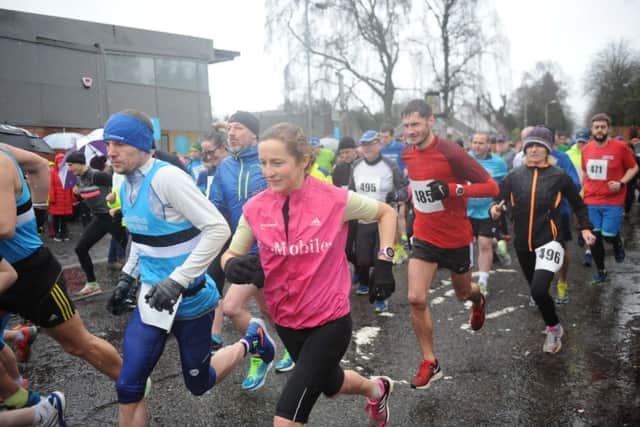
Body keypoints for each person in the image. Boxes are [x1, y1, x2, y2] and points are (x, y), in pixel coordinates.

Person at [104, 109, 275, 427]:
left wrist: (178, 280)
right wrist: (128, 277)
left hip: (191, 301)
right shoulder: (123, 180)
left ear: (143, 144)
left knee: (199, 383)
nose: (111, 151)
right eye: (108, 143)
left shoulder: (167, 178)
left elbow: (217, 228)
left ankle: (251, 339)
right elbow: (141, 237)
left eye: (120, 143)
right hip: (152, 301)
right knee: (128, 386)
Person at [221, 122, 396, 426]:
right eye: (263, 163)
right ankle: (376, 389)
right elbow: (231, 254)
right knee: (330, 384)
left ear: (303, 161)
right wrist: (231, 266)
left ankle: (374, 389)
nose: (269, 171)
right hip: (286, 320)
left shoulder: (334, 199)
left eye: (278, 162)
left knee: (286, 418)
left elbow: (386, 213)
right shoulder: (255, 208)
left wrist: (385, 262)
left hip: (329, 320)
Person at [0, 142, 123, 384]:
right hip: (5, 270)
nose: (70, 168)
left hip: (31, 273)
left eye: (72, 164)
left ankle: (134, 385)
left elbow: (5, 228)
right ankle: (22, 400)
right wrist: (37, 210)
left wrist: (37, 215)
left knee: (78, 345)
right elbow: (37, 164)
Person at [400, 99, 498, 389]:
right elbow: (419, 187)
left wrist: (454, 189)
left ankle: (478, 299)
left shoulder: (452, 153)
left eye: (415, 124)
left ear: (431, 121)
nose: (410, 131)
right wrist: (409, 194)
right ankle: (431, 361)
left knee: (462, 292)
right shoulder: (407, 155)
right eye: (406, 126)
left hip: (455, 237)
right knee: (416, 297)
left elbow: (491, 187)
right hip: (425, 236)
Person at [490, 126, 595, 353]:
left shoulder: (559, 176)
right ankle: (552, 322)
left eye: (540, 145)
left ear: (548, 150)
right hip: (522, 243)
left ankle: (554, 328)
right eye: (530, 145)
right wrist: (495, 209)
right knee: (536, 292)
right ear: (525, 148)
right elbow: (498, 198)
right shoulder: (514, 176)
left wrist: (585, 227)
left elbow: (578, 204)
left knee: (538, 291)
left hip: (550, 240)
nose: (534, 149)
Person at [208, 111, 279, 387]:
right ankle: (282, 349)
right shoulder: (224, 167)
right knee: (270, 310)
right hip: (242, 252)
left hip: (272, 251)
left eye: (238, 128)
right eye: (230, 128)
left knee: (233, 306)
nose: (232, 133)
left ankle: (263, 351)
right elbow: (217, 210)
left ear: (254, 134)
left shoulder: (266, 163)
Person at [350, 130, 408, 312]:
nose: (367, 148)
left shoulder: (389, 165)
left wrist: (396, 195)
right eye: (364, 145)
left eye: (371, 144)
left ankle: (382, 296)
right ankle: (365, 282)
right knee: (363, 259)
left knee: (382, 259)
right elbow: (351, 190)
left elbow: (404, 189)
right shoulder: (356, 165)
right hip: (362, 220)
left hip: (385, 221)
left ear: (379, 145)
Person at [581, 113, 638, 284]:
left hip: (613, 200)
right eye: (596, 127)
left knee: (608, 235)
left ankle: (617, 242)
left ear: (609, 129)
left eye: (603, 127)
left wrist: (621, 183)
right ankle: (601, 270)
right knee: (594, 237)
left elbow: (633, 168)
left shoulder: (620, 147)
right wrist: (584, 186)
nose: (599, 130)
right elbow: (584, 170)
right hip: (591, 199)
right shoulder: (587, 149)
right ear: (592, 129)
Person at [66, 151, 128, 296]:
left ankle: (141, 283)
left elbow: (121, 186)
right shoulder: (79, 179)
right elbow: (89, 196)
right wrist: (77, 194)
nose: (69, 169)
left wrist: (115, 198)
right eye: (68, 166)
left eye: (71, 165)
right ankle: (92, 284)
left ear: (80, 163)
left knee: (131, 251)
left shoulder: (98, 175)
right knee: (80, 248)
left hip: (113, 217)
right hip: (99, 218)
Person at [467, 132, 508, 296]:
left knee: (483, 244)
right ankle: (498, 245)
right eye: (474, 142)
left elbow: (505, 187)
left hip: (487, 210)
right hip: (467, 209)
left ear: (488, 145)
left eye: (481, 143)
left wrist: (500, 205)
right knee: (473, 243)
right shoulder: (464, 159)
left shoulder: (499, 163)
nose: (477, 146)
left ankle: (482, 282)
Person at [548, 131, 581, 304]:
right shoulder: (528, 157)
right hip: (535, 214)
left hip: (560, 212)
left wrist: (554, 188)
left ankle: (562, 284)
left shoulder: (562, 158)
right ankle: (538, 289)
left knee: (561, 248)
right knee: (535, 250)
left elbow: (575, 183)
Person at [380, 124, 410, 264]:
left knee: (397, 217)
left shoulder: (400, 148)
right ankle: (398, 249)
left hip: (398, 187)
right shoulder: (381, 150)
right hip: (385, 189)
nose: (384, 139)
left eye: (386, 137)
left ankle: (401, 246)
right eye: (382, 137)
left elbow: (405, 168)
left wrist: (403, 185)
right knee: (390, 220)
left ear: (392, 136)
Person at [566, 129, 594, 267]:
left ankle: (588, 253)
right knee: (577, 223)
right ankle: (580, 234)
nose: (581, 144)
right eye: (579, 142)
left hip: (589, 194)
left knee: (587, 223)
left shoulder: (594, 153)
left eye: (584, 142)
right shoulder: (568, 155)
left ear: (589, 140)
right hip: (572, 194)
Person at [48, 154, 74, 242]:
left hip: (66, 200)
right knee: (56, 218)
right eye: (59, 162)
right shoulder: (53, 172)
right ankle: (56, 233)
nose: (61, 164)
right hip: (57, 200)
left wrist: (72, 198)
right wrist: (52, 199)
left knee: (64, 219)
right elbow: (51, 186)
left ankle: (64, 233)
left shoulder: (68, 172)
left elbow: (71, 186)